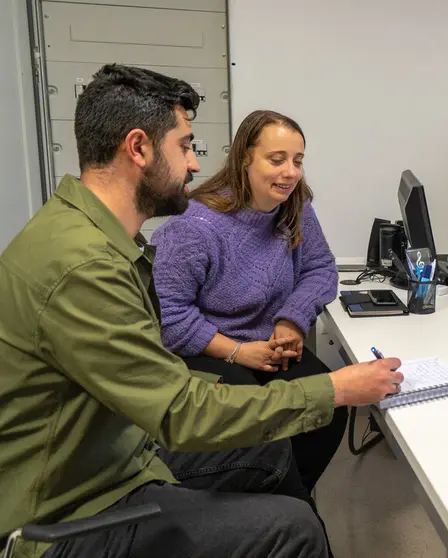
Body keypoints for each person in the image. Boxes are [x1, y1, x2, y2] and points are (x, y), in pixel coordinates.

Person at [0, 64, 403, 558]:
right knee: (293, 526)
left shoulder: (86, 234)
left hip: (110, 453)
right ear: (139, 148)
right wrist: (335, 387)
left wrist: (290, 326)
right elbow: (177, 410)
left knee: (276, 452)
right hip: (67, 509)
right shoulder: (83, 266)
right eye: (185, 145)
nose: (194, 164)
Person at [150, 110, 345, 530]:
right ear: (244, 159)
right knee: (256, 431)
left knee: (330, 407)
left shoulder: (294, 206)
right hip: (208, 350)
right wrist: (239, 352)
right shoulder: (194, 226)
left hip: (268, 345)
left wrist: (290, 322)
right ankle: (290, 521)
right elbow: (169, 318)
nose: (290, 172)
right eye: (277, 160)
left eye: (298, 160)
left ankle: (289, 498)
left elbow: (321, 269)